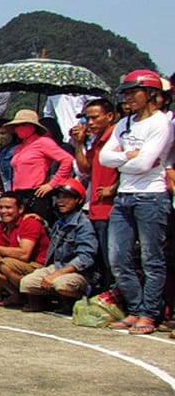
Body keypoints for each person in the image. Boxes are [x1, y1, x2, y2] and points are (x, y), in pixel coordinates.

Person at [99, 70, 173, 335]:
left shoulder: (162, 123)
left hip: (151, 195)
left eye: (133, 92)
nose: (128, 98)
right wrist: (131, 157)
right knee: (118, 257)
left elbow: (145, 164)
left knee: (151, 259)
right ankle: (135, 308)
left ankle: (149, 314)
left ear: (151, 94)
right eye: (126, 93)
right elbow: (104, 158)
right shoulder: (124, 123)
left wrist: (126, 159)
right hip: (124, 196)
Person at [18, 179, 98, 312]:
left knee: (61, 283)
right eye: (59, 197)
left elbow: (85, 257)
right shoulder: (60, 221)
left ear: (78, 200)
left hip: (79, 272)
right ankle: (45, 303)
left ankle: (71, 303)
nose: (60, 201)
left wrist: (57, 274)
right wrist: (43, 223)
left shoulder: (83, 224)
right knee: (27, 283)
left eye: (66, 197)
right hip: (58, 266)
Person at [70, 98, 118, 288]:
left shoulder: (116, 138)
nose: (90, 123)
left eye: (95, 118)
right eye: (87, 119)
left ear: (110, 116)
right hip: (96, 207)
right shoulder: (97, 141)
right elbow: (85, 168)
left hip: (111, 207)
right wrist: (79, 144)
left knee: (113, 258)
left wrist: (113, 188)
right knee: (101, 257)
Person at [2, 109, 74, 222]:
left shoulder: (43, 142)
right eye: (17, 126)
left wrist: (52, 184)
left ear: (33, 127)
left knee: (34, 228)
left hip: (36, 193)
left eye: (24, 125)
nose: (19, 128)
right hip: (18, 194)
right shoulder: (19, 148)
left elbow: (67, 160)